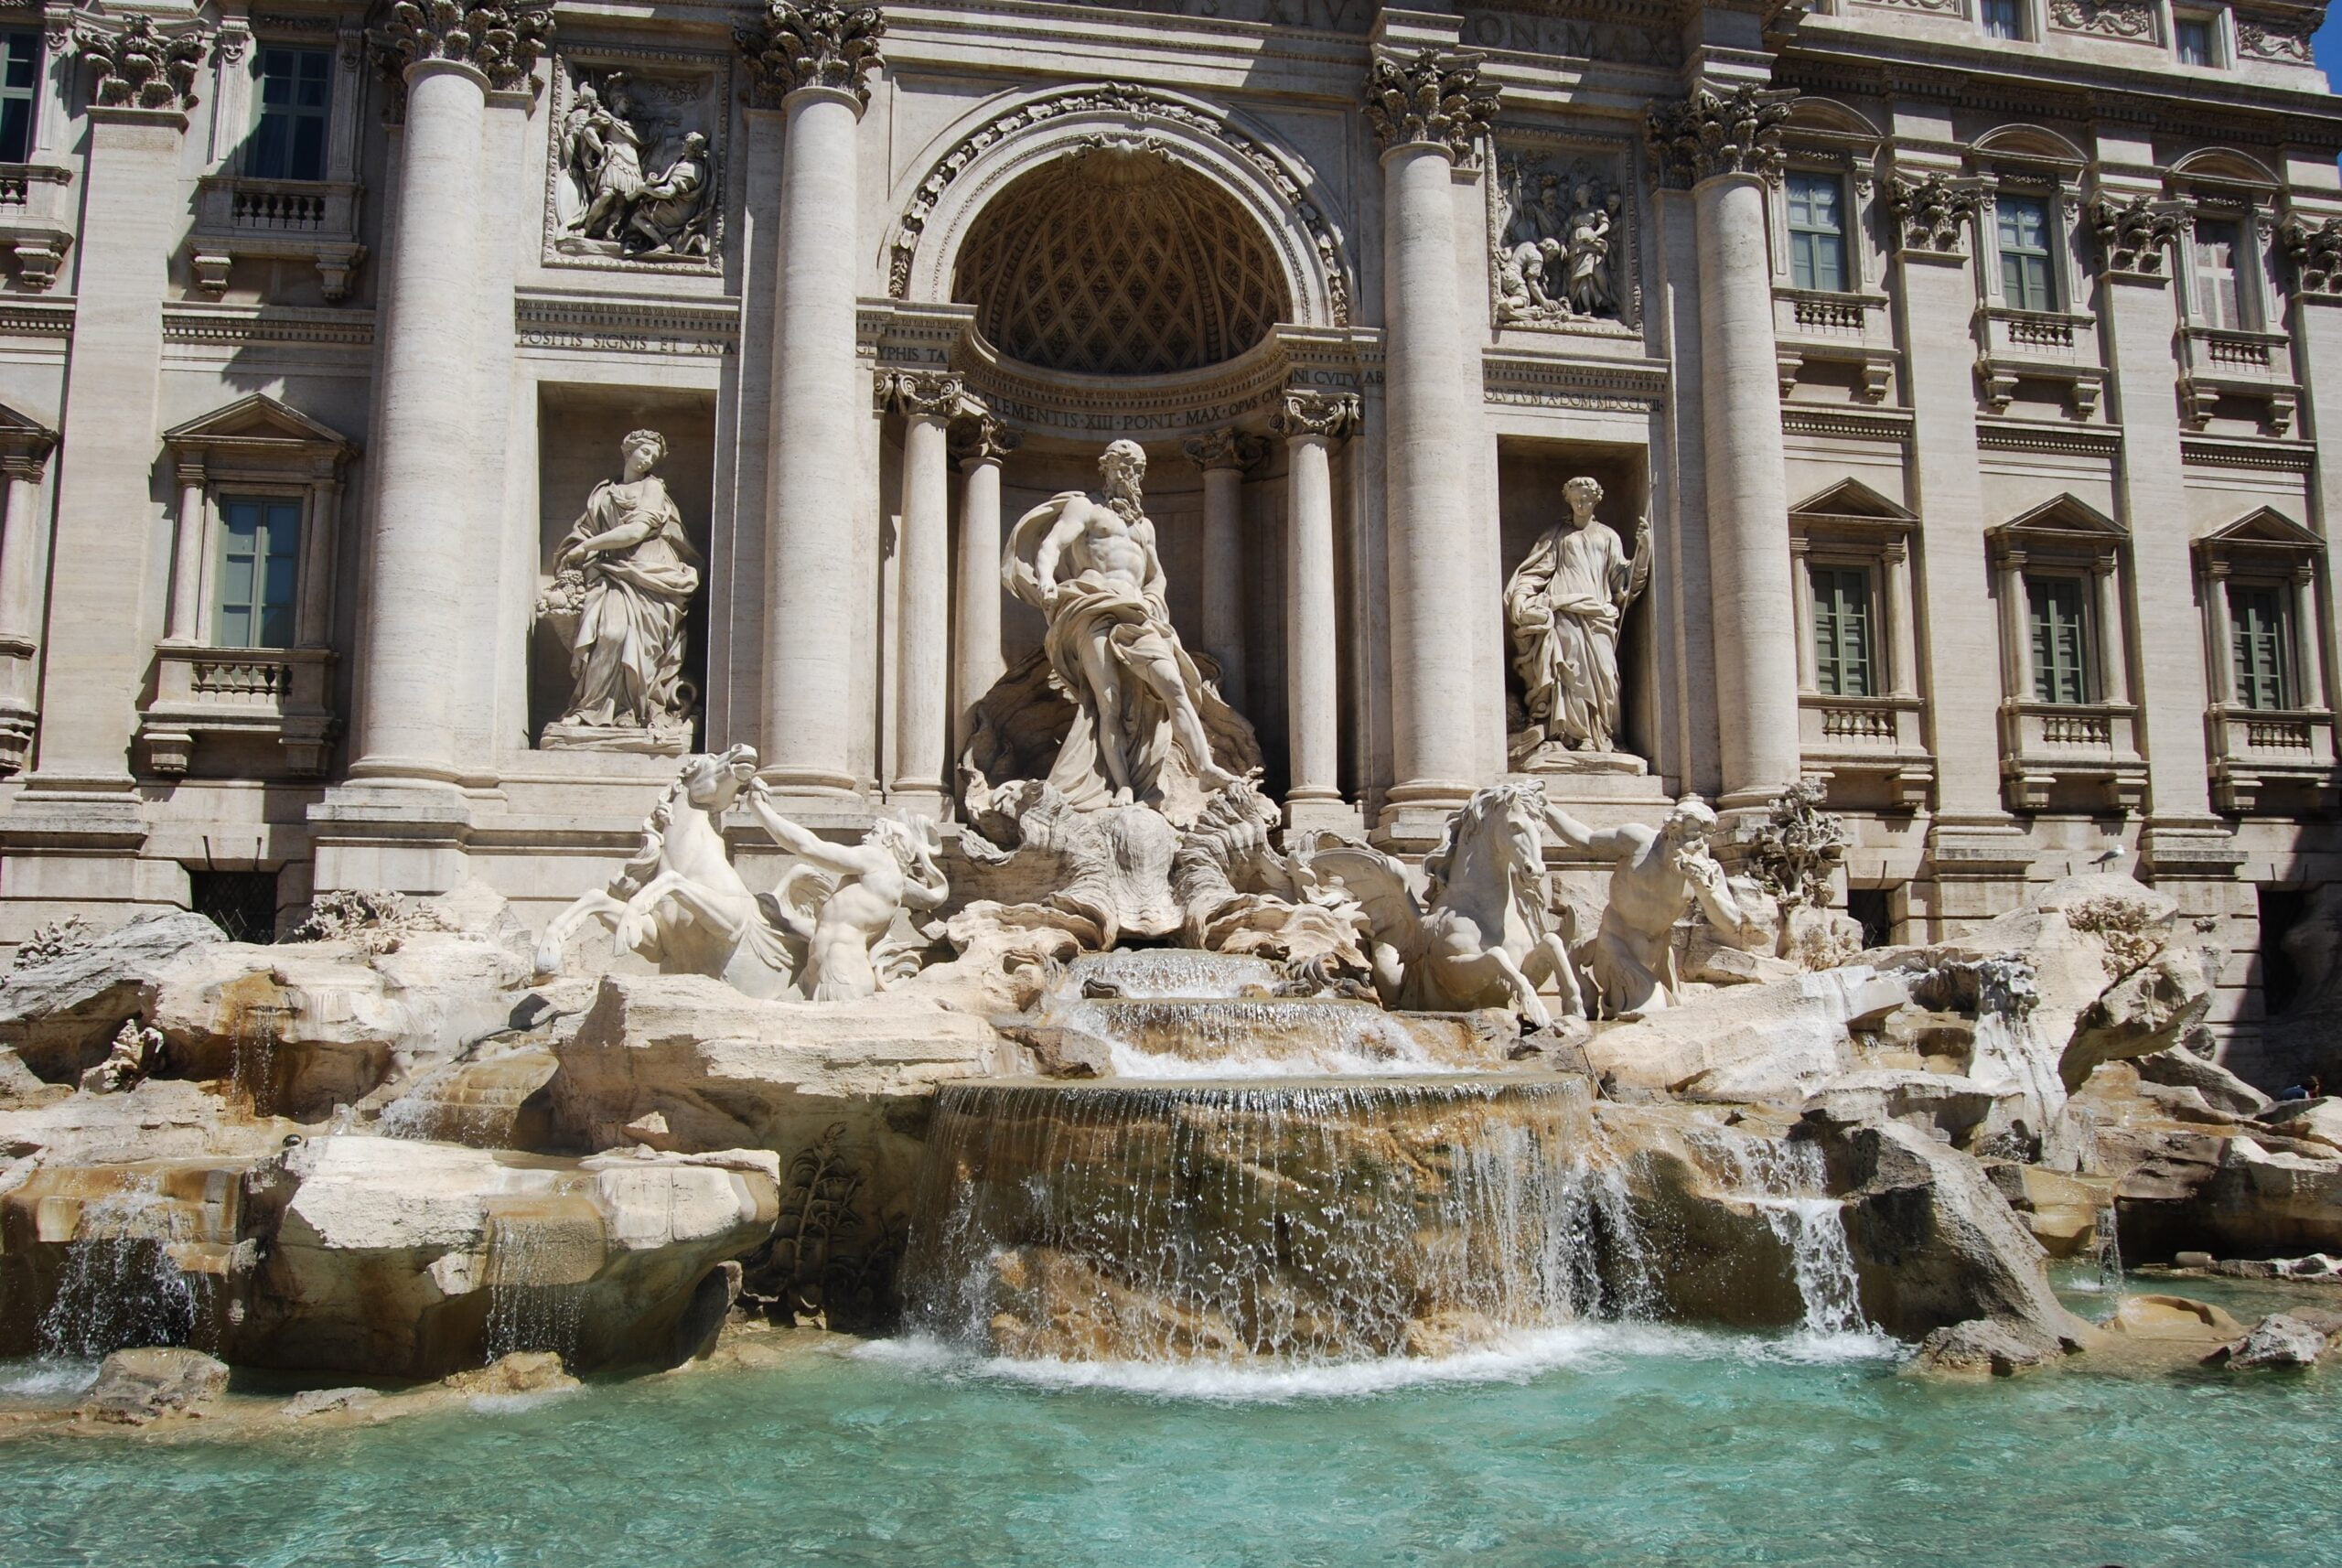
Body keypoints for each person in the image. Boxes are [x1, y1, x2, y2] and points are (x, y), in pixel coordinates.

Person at [1004, 440, 1242, 809]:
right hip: (1092, 606)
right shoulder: (1085, 507)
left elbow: (1156, 575)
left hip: (1138, 613)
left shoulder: (1144, 526)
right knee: (1108, 701)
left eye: (1133, 469)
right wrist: (1047, 579)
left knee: (1174, 685)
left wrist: (1153, 600)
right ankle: (1123, 784)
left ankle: (1206, 767)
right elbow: (1051, 544)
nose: (1125, 475)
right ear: (1106, 469)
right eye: (1118, 467)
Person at [1542, 794, 1754, 1016]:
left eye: (1706, 837)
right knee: (1652, 1013)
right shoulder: (1637, 842)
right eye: (1694, 834)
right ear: (1672, 830)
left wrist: (1704, 890)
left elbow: (1731, 923)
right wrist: (1546, 807)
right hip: (1617, 945)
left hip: (1658, 954)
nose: (1700, 844)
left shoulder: (1707, 870)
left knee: (1671, 1016)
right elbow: (1585, 839)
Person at [549, 430, 702, 735]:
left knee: (639, 645)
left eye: (653, 457)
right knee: (610, 633)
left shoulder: (653, 488)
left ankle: (631, 713)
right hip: (612, 572)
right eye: (644, 452)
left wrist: (587, 547)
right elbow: (583, 532)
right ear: (628, 449)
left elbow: (634, 532)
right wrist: (579, 550)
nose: (648, 460)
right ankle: (590, 709)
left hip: (652, 575)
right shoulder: (603, 493)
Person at [1504, 475, 1649, 756]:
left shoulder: (1608, 536)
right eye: (1575, 499)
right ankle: (1571, 736)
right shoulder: (1557, 535)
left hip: (1598, 613)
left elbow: (1623, 583)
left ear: (1596, 499)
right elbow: (1536, 571)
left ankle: (1600, 735)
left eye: (1585, 498)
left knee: (1605, 674)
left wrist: (1643, 551)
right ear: (1568, 501)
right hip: (1564, 611)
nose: (1580, 504)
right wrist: (1521, 597)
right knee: (1570, 672)